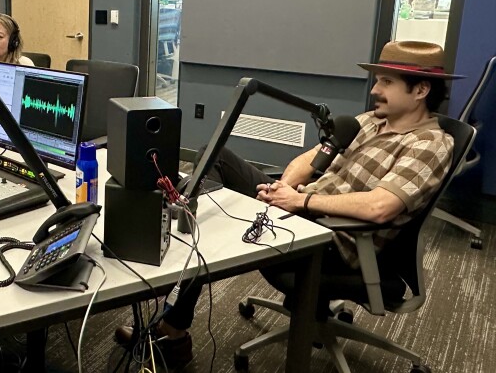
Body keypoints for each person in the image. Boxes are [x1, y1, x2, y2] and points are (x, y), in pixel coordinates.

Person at [114, 40, 463, 369]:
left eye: (387, 82)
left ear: (420, 91)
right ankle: (182, 247)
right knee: (212, 157)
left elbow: (380, 207)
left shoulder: (430, 144)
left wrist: (302, 200)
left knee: (209, 223)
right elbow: (309, 159)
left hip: (337, 241)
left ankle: (172, 334)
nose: (374, 90)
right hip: (302, 207)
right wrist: (283, 188)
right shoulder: (370, 122)